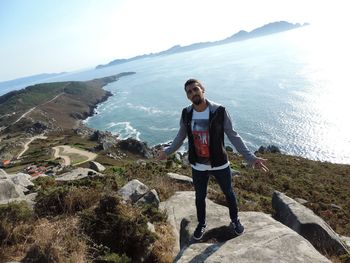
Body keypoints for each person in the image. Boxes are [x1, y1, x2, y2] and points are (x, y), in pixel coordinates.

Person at [157, 78, 269, 240]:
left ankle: (235, 220)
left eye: (195, 89)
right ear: (187, 96)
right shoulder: (186, 113)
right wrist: (166, 152)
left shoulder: (219, 111)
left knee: (229, 193)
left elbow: (233, 135)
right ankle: (202, 223)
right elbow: (180, 136)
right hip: (198, 165)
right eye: (189, 92)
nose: (193, 93)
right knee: (199, 197)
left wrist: (251, 158)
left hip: (220, 163)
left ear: (203, 89)